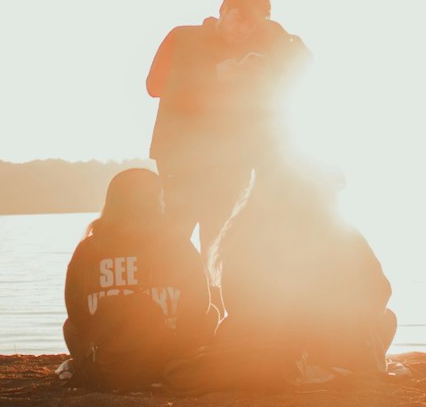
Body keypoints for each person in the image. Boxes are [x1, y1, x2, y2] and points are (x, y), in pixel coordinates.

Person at [165, 157, 397, 394]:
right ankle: (323, 362)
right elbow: (380, 291)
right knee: (385, 320)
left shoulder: (239, 230)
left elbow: (233, 302)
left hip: (250, 337)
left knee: (376, 322)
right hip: (310, 341)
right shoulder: (336, 230)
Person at [146, 0, 308, 259]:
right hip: (181, 157)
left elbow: (305, 62)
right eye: (239, 20)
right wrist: (214, 74)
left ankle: (216, 300)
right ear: (223, 9)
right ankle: (175, 296)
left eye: (252, 25)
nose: (243, 30)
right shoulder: (183, 37)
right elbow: (154, 86)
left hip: (233, 159)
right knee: (175, 234)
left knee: (221, 238)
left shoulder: (263, 44)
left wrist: (273, 36)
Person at [63, 167, 218, 390]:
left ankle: (94, 366)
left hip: (109, 359)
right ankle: (179, 365)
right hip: (166, 359)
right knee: (211, 313)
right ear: (156, 201)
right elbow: (200, 303)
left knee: (70, 327)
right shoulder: (177, 245)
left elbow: (75, 310)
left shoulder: (88, 249)